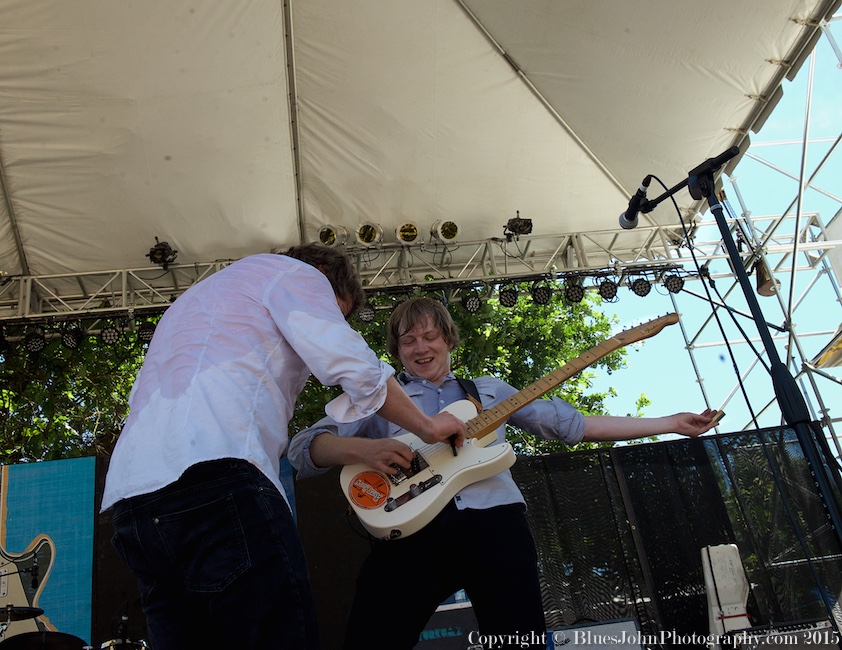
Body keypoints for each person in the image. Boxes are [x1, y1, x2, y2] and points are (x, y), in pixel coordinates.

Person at [288, 296, 719, 649]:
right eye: (408, 341)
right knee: (370, 640)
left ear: (449, 339)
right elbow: (304, 449)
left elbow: (575, 426)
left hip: (496, 529)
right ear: (396, 351)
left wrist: (669, 423)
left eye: (430, 336)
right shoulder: (380, 397)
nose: (420, 348)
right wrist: (367, 447)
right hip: (409, 533)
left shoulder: (490, 391)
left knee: (519, 641)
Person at [101, 246, 467, 650]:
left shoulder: (197, 301)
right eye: (336, 312)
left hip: (134, 498)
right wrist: (427, 425)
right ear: (325, 278)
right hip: (217, 477)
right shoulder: (295, 274)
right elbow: (353, 363)